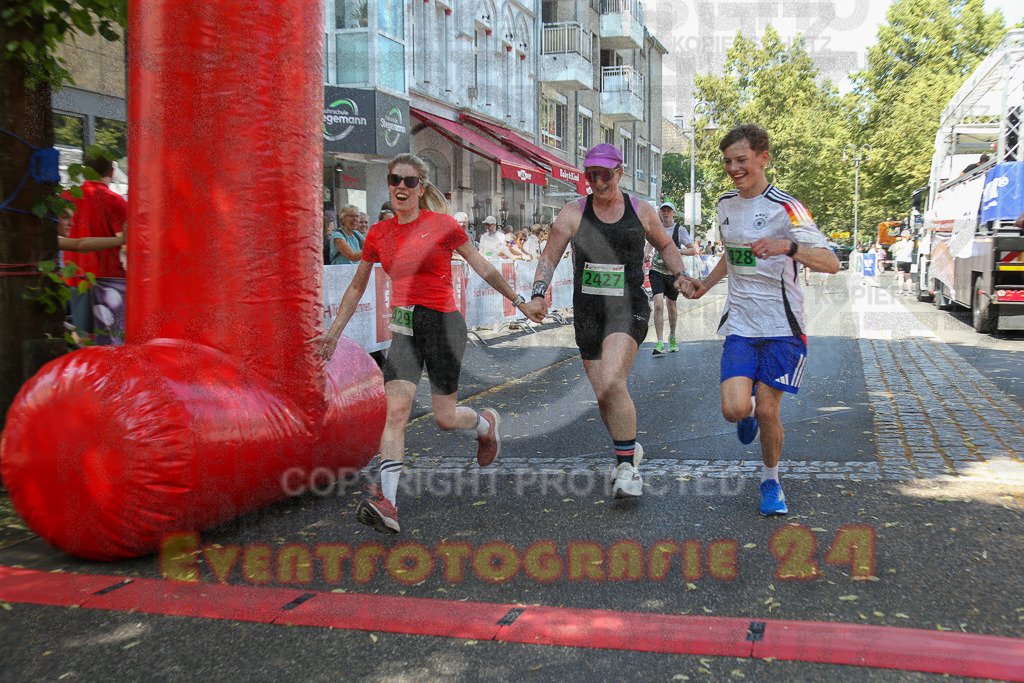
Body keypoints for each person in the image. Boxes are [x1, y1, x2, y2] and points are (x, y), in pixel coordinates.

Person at [311, 153, 529, 534]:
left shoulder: (443, 226)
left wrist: (520, 300)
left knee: (445, 418)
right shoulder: (379, 233)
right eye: (395, 179)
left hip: (444, 325)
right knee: (395, 413)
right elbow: (357, 285)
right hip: (405, 329)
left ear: (421, 188)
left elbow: (483, 265)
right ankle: (388, 503)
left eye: (409, 181)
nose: (400, 186)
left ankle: (485, 423)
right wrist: (333, 334)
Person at [678, 124, 839, 516]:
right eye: (728, 161)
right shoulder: (725, 204)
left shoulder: (789, 207)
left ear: (763, 158)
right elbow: (731, 256)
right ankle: (744, 415)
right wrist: (705, 284)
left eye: (742, 160)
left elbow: (831, 262)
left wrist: (788, 245)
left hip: (784, 327)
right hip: (742, 326)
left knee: (769, 411)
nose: (734, 168)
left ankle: (771, 481)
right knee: (735, 409)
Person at [520, 143, 688, 499]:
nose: (598, 182)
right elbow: (550, 255)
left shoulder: (640, 210)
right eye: (591, 175)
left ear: (620, 173)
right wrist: (538, 294)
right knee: (603, 395)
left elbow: (666, 246)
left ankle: (627, 469)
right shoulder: (573, 212)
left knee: (612, 381)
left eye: (605, 175)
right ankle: (628, 450)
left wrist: (681, 274)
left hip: (628, 306)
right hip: (589, 312)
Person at [62, 153, 127, 338]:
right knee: (110, 340)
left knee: (82, 339)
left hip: (75, 278)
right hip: (109, 282)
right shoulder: (115, 201)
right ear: (112, 171)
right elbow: (125, 242)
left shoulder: (66, 197)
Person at [645, 201, 696, 356]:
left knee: (671, 306)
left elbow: (693, 250)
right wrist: (645, 254)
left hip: (673, 273)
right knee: (658, 304)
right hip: (657, 270)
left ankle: (672, 337)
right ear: (660, 213)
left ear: (674, 213)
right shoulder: (655, 227)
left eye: (668, 211)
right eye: (663, 211)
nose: (665, 213)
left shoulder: (679, 230)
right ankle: (660, 342)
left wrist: (676, 252)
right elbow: (649, 246)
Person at [889, 231, 915, 295]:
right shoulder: (911, 243)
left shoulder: (898, 244)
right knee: (908, 276)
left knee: (900, 276)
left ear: (902, 236)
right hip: (908, 260)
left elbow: (893, 251)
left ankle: (901, 291)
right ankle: (910, 291)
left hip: (900, 260)